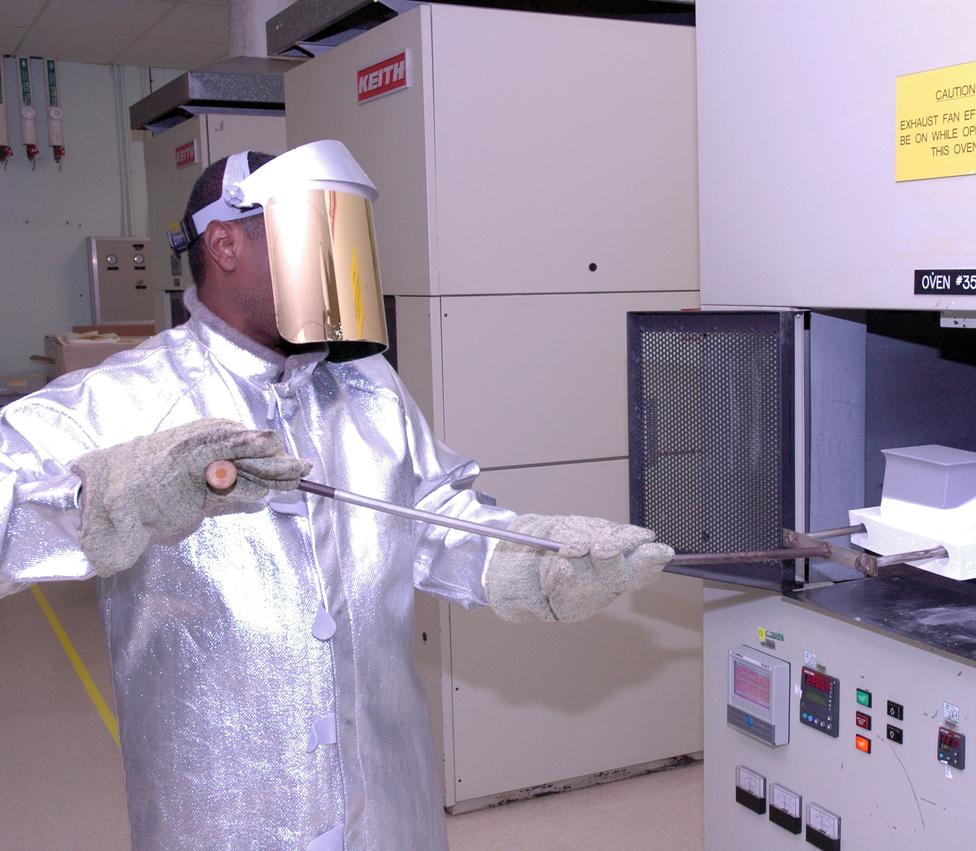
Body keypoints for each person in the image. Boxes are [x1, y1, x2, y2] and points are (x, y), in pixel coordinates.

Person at [0, 141, 673, 849]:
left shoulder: (365, 384)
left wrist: (530, 562)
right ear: (224, 243)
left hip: (385, 803)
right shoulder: (126, 396)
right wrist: (112, 496)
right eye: (310, 235)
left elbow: (430, 516)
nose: (331, 265)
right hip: (224, 814)